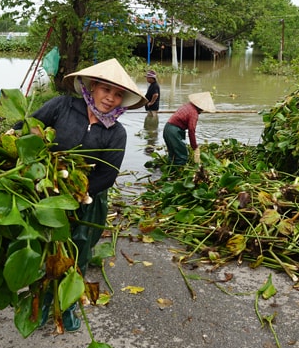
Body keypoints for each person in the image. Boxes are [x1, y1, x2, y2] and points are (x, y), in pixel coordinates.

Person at [25, 58, 147, 331]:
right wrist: (37, 145)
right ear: (92, 87)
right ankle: (43, 303)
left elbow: (108, 175)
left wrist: (76, 193)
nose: (111, 98)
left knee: (77, 254)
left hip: (88, 201)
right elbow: (32, 124)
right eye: (106, 90)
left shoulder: (116, 132)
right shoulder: (63, 106)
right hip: (46, 193)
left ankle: (67, 306)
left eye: (118, 94)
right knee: (45, 251)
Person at [163, 92, 216, 165]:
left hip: (168, 128)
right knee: (182, 157)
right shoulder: (193, 113)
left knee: (173, 155)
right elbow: (191, 130)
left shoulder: (187, 105)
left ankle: (170, 172)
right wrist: (195, 147)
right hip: (174, 131)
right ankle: (178, 174)